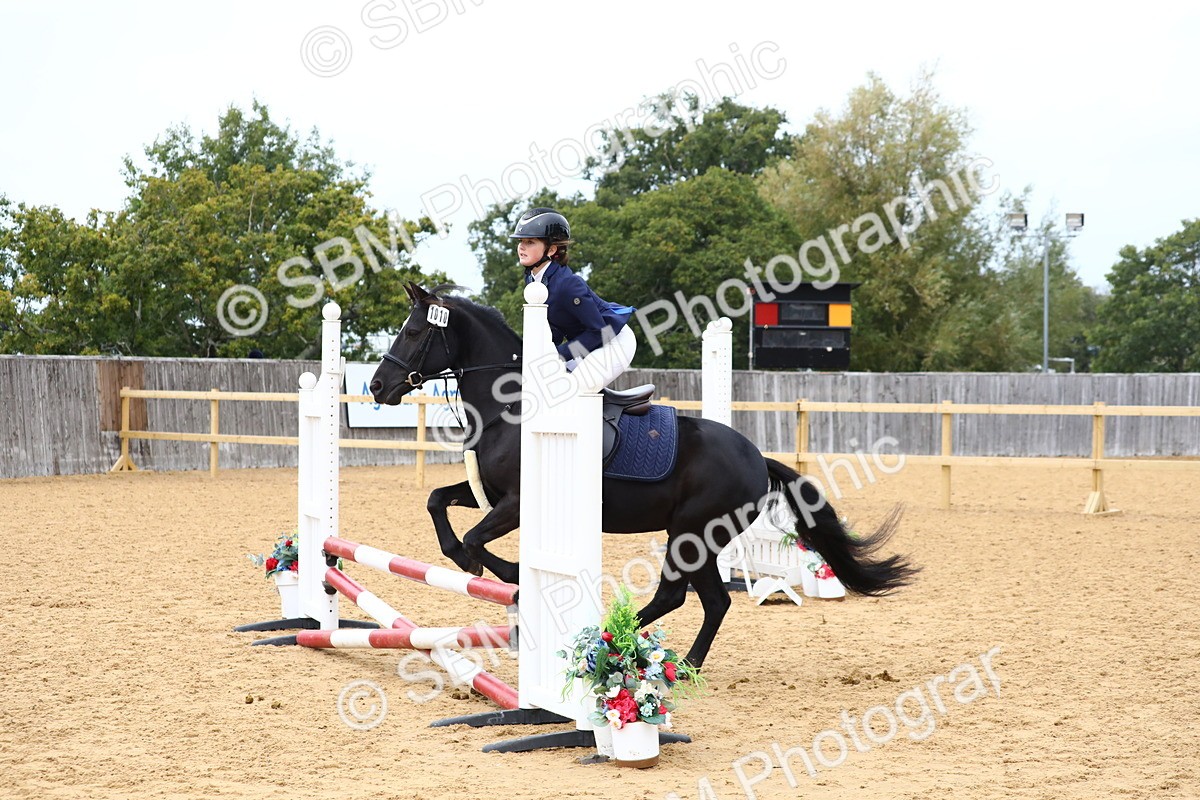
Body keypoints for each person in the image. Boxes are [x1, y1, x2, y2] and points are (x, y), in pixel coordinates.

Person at [510, 207, 636, 388]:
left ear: (551, 249)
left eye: (530, 242)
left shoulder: (568, 284)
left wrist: (559, 355)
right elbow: (554, 328)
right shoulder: (533, 280)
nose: (521, 247)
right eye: (520, 241)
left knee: (577, 389)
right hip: (587, 344)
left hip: (613, 340)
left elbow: (599, 332)